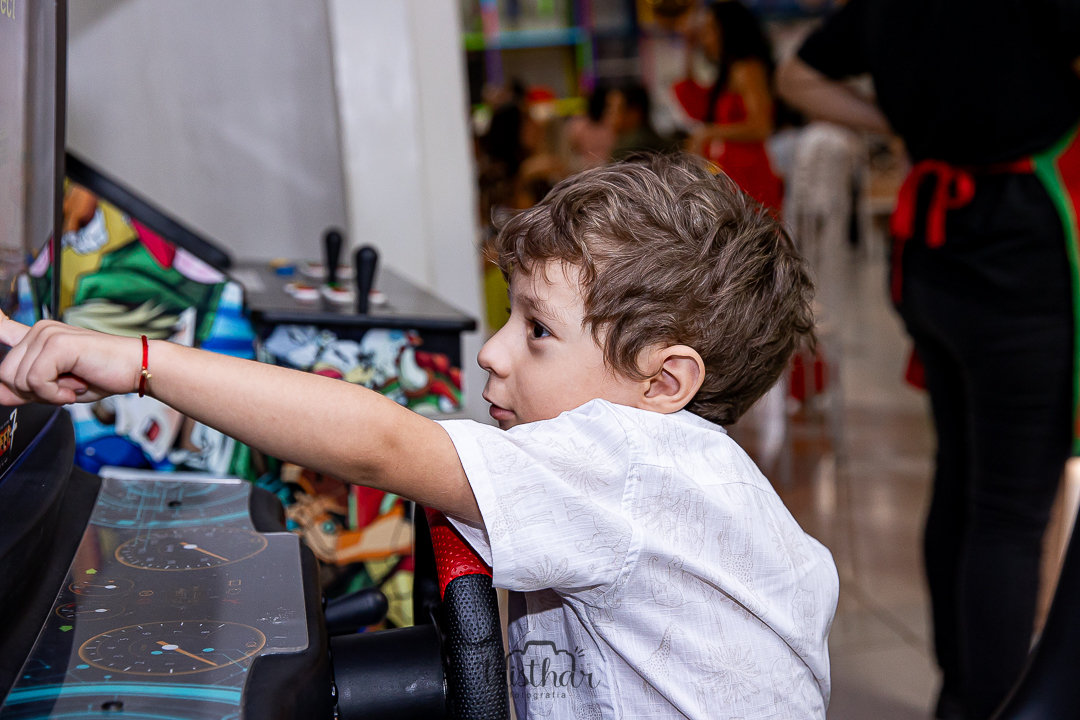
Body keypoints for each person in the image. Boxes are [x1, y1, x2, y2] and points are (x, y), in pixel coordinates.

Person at [0, 155, 839, 719]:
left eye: (537, 331)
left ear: (663, 382)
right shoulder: (682, 481)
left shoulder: (636, 464)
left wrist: (141, 361)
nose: (493, 353)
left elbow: (382, 445)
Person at [776, 3, 1080, 718]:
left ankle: (961, 692)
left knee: (962, 480)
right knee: (1009, 510)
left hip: (934, 258)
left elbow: (798, 76)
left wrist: (900, 122)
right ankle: (991, 704)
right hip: (1017, 251)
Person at [673, 0, 783, 214]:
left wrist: (710, 133)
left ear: (728, 30)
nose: (704, 39)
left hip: (749, 175)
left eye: (709, 31)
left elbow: (761, 126)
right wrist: (688, 49)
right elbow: (695, 106)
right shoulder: (729, 72)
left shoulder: (747, 69)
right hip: (732, 173)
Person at [566, 83, 615, 171]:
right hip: (592, 168)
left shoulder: (578, 124)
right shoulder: (610, 123)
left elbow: (574, 148)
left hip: (596, 168)